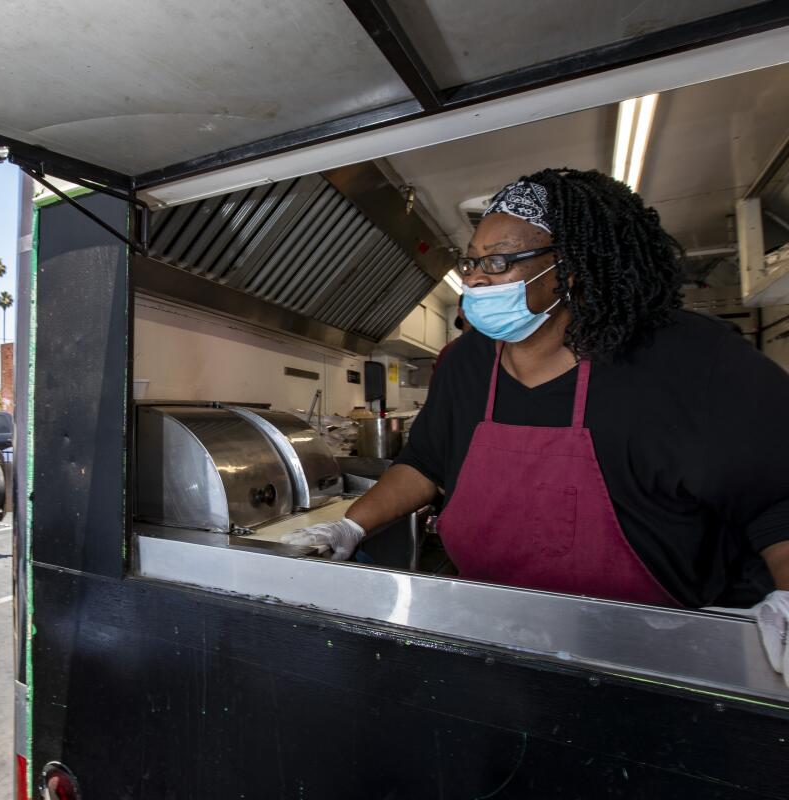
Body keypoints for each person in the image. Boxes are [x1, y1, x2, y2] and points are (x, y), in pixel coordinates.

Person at [283, 168, 789, 682]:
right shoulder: (466, 362)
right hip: (495, 633)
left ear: (570, 269)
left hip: (659, 650)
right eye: (472, 261)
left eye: (497, 261)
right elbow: (425, 463)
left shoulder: (691, 359)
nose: (475, 279)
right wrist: (352, 525)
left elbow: (777, 499)